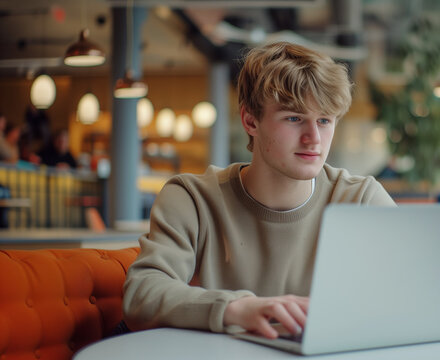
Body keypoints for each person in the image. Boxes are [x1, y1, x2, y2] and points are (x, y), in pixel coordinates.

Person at [122, 42, 396, 339]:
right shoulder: (193, 198)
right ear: (250, 121)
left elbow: (417, 289)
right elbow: (142, 293)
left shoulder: (361, 200)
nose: (314, 139)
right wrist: (236, 308)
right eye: (294, 118)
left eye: (324, 121)